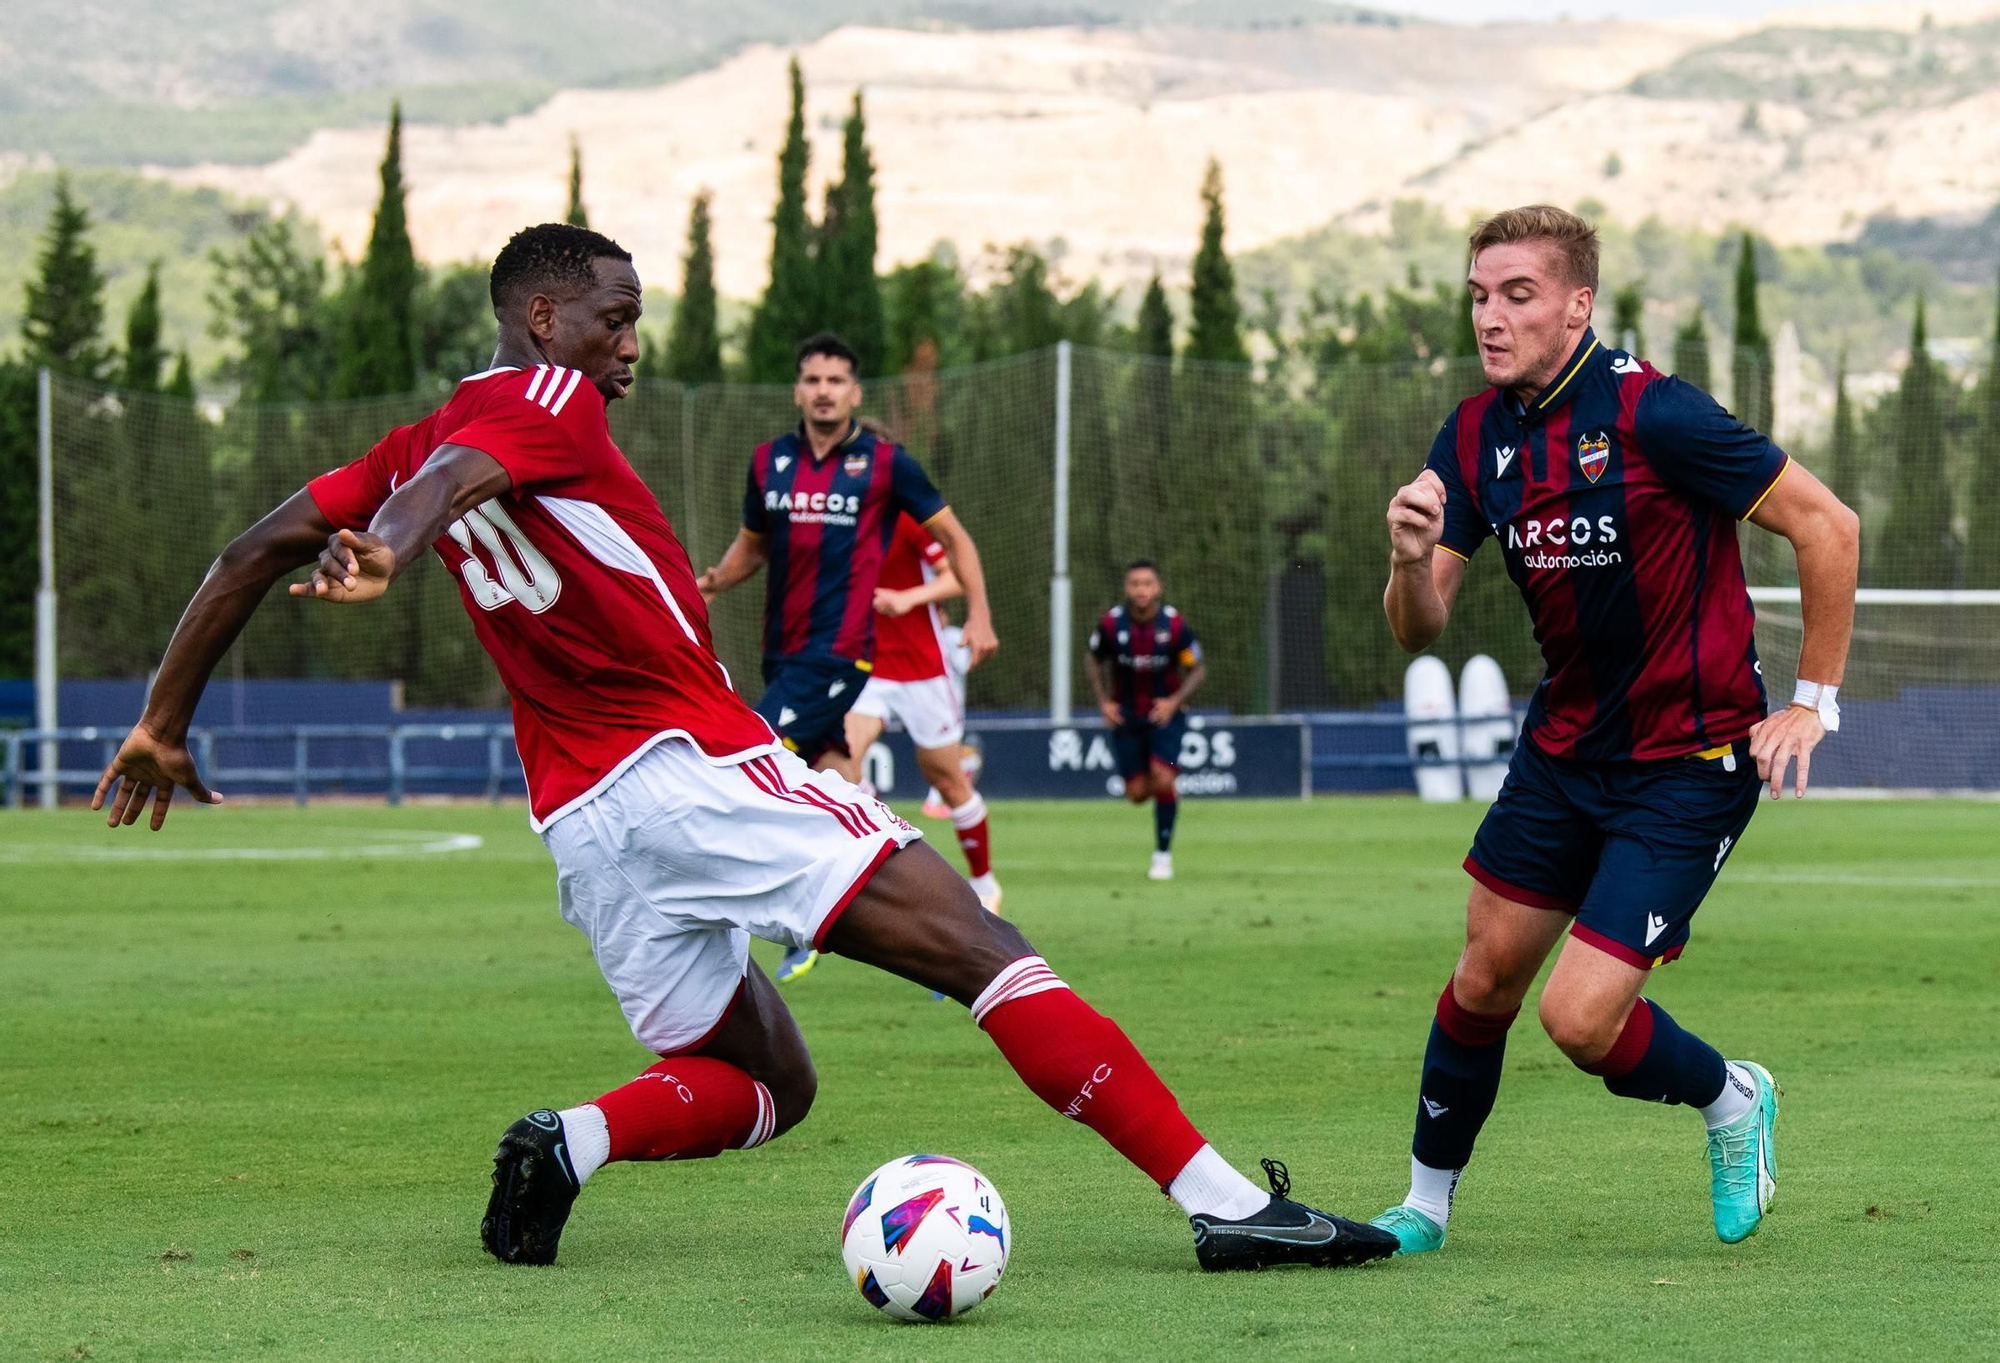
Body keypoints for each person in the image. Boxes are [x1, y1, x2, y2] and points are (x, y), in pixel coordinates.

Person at [90, 222, 1396, 1276]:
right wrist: (406, 532)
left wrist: (164, 716)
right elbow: (471, 473)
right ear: (543, 317)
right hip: (690, 771)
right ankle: (1229, 1204)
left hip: (585, 830)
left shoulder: (412, 440)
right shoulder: (532, 397)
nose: (631, 343)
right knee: (991, 956)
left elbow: (254, 545)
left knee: (766, 1079)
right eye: (615, 313)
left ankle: (573, 1139)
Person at [1372, 205, 1859, 1254]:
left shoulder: (1656, 414)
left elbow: (1828, 526)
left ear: (1575, 304)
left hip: (1686, 764)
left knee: (1576, 1021)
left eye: (1517, 295)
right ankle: (1421, 1205)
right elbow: (1420, 630)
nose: (1490, 318)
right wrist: (1410, 560)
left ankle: (1729, 1097)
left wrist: (1810, 704)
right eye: (1477, 295)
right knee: (1481, 980)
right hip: (1563, 752)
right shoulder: (1469, 436)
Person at [697, 335, 992, 982]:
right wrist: (716, 580)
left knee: (747, 766)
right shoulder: (769, 461)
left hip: (838, 657)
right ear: (798, 390)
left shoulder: (886, 464)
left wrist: (981, 615)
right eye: (812, 379)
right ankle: (949, 916)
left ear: (855, 392)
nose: (824, 389)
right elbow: (754, 545)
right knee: (844, 791)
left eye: (836, 378)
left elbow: (956, 539)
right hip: (786, 656)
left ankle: (780, 923)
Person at [832, 510, 1001, 911]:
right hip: (866, 666)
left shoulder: (904, 519)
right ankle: (883, 837)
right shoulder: (833, 518)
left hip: (922, 669)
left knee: (947, 781)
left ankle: (985, 882)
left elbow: (955, 577)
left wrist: (907, 598)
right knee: (840, 768)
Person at [1087, 560, 1206, 881]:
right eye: (1135, 584)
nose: (1141, 590)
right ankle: (1163, 794)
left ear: (1158, 587)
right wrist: (1103, 702)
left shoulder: (1174, 626)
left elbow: (1197, 668)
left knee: (1163, 779)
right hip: (1126, 717)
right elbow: (1093, 660)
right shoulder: (1111, 625)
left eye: (1147, 583)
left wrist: (1174, 701)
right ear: (1127, 588)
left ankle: (1162, 855)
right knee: (1137, 794)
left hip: (1164, 716)